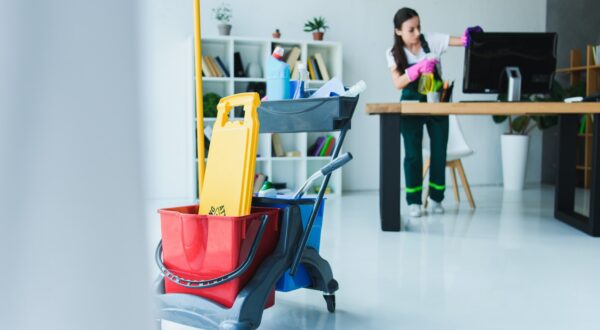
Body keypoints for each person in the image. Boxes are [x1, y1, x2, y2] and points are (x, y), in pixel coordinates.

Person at [386, 7, 481, 217]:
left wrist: (470, 37)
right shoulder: (393, 53)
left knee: (439, 151)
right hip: (411, 104)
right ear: (398, 31)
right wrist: (416, 70)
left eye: (418, 27)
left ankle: (437, 198)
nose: (417, 33)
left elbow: (460, 41)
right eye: (411, 29)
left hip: (437, 102)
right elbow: (398, 83)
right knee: (412, 154)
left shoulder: (431, 41)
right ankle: (414, 201)